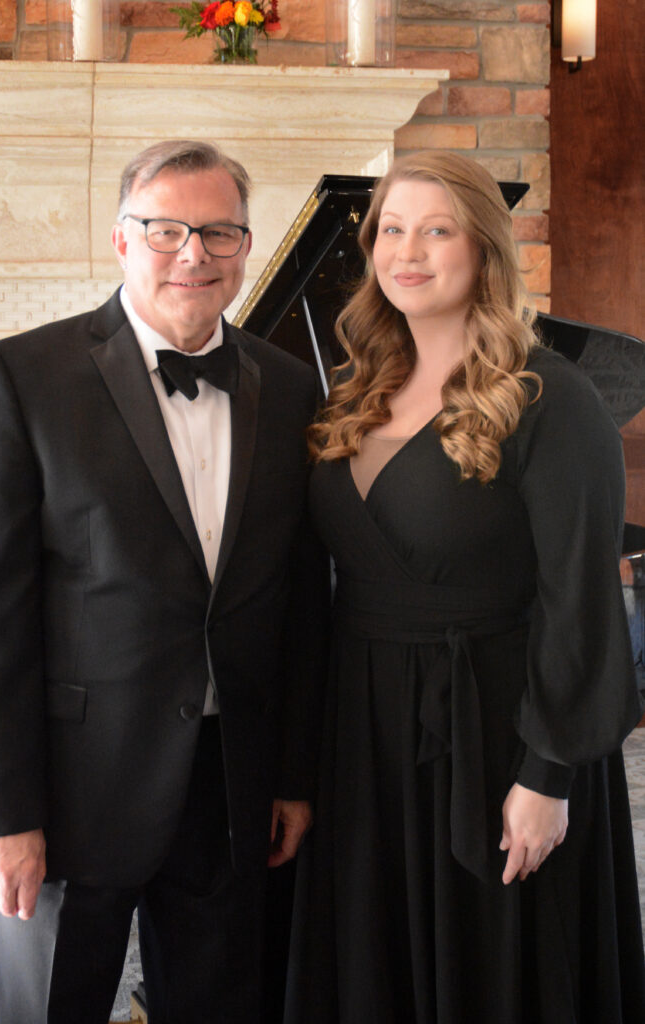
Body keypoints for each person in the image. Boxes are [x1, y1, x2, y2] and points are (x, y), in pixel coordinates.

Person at [0, 139, 328, 1024]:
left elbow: (302, 601)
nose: (193, 253)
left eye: (219, 232)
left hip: (229, 792)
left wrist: (292, 776)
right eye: (165, 230)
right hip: (69, 792)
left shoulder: (290, 387)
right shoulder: (24, 378)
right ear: (120, 241)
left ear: (245, 246)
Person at [285, 151, 645, 1023]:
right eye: (392, 231)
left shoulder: (549, 400)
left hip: (499, 733)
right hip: (362, 732)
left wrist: (547, 776)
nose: (408, 252)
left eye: (436, 230)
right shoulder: (351, 394)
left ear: (483, 249)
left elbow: (582, 599)